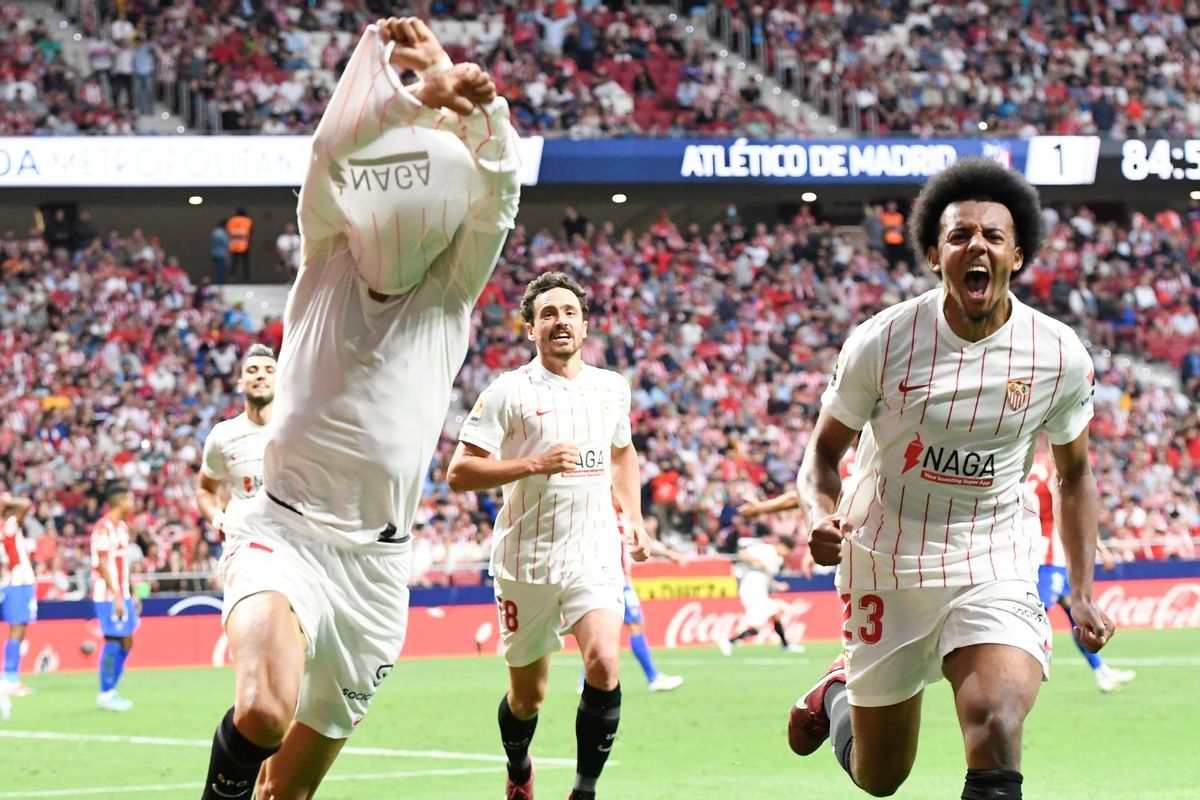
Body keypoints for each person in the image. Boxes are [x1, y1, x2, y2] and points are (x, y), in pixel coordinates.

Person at [198, 16, 520, 800]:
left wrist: (474, 100)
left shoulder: (450, 290)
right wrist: (417, 96)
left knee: (290, 792)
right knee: (263, 712)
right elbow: (328, 149)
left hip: (378, 571)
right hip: (285, 531)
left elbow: (503, 188)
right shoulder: (326, 252)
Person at [786, 158, 1115, 800]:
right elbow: (821, 457)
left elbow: (1073, 477)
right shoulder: (880, 342)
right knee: (881, 778)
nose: (977, 247)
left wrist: (1081, 592)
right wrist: (816, 516)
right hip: (885, 556)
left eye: (994, 236)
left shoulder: (1058, 354)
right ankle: (838, 695)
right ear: (935, 255)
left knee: (996, 723)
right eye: (960, 235)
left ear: (1017, 255)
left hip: (993, 556)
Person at [447, 271, 654, 800]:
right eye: (547, 314)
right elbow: (459, 472)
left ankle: (583, 790)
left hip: (594, 554)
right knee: (527, 699)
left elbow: (623, 452)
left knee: (605, 663)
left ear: (585, 326)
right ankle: (519, 769)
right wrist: (532, 463)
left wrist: (632, 514)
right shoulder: (508, 392)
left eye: (568, 312)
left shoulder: (612, 388)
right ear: (529, 329)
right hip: (526, 560)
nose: (559, 321)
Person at [1025, 451, 1134, 693]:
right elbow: (1071, 514)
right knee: (1037, 613)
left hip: (1037, 551)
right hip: (1049, 557)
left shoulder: (1032, 469)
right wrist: (1101, 549)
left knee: (1077, 619)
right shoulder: (1055, 474)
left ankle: (1102, 672)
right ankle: (1027, 665)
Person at [196, 344, 276, 539]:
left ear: (279, 381)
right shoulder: (223, 435)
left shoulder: (298, 432)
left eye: (269, 370)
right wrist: (218, 519)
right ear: (240, 383)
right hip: (246, 544)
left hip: (293, 548)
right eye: (252, 370)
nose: (260, 375)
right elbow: (204, 488)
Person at [90, 483, 139, 712]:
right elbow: (101, 564)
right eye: (130, 499)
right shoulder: (103, 528)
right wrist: (117, 596)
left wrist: (131, 592)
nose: (133, 503)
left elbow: (122, 564)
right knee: (113, 640)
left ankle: (111, 690)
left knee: (127, 641)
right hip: (108, 593)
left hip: (122, 592)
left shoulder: (121, 527)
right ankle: (105, 693)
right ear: (119, 502)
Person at [718, 535, 805, 655]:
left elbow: (766, 575)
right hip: (751, 589)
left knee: (775, 614)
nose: (787, 554)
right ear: (782, 546)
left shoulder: (778, 560)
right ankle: (729, 641)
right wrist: (755, 561)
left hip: (761, 591)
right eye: (788, 551)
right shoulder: (765, 549)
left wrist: (777, 585)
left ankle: (786, 645)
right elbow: (742, 553)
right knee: (759, 626)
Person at [1, 492, 35, 698]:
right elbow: (26, 504)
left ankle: (11, 677)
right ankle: (10, 678)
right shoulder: (8, 525)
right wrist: (8, 502)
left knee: (19, 628)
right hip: (19, 581)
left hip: (15, 581)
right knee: (17, 629)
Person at [226, 208, 253, 282]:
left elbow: (228, 231)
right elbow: (250, 232)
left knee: (234, 263)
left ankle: (232, 276)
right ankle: (245, 278)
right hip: (244, 244)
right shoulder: (248, 220)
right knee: (245, 263)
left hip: (234, 245)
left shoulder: (231, 220)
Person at [211, 220, 230, 285]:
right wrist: (227, 256)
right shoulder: (222, 233)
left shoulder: (215, 232)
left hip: (215, 253)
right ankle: (220, 283)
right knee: (221, 270)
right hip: (221, 254)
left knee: (218, 270)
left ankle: (218, 282)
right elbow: (226, 245)